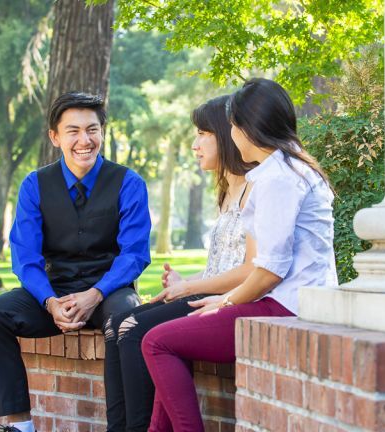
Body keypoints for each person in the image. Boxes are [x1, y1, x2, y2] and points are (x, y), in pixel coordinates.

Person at [141, 78, 336, 431]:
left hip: (285, 306)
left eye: (232, 125)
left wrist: (226, 301)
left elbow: (271, 270)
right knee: (169, 338)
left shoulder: (278, 177)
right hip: (290, 300)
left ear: (248, 128)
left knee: (157, 341)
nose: (231, 134)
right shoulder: (290, 167)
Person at [0, 92, 152, 432]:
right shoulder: (35, 185)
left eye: (93, 130)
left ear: (103, 132)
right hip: (55, 291)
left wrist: (96, 293)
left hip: (109, 291)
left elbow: (134, 254)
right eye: (73, 131)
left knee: (127, 319)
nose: (84, 140)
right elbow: (25, 256)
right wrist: (50, 301)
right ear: (55, 137)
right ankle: (19, 424)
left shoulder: (128, 183)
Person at [103, 95, 257, 432]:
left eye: (203, 133)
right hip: (207, 293)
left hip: (232, 301)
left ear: (227, 134)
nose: (194, 144)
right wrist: (184, 281)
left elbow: (249, 269)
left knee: (132, 330)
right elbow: (221, 265)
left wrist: (190, 287)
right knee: (114, 324)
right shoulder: (226, 192)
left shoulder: (254, 190)